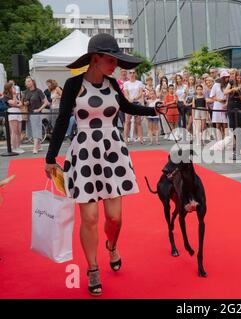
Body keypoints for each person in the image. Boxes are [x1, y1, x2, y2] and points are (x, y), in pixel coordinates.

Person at [44, 33, 160, 296]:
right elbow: (62, 121)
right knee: (90, 217)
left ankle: (112, 246)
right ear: (95, 59)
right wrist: (50, 158)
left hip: (112, 153)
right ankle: (93, 267)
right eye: (111, 59)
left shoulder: (113, 84)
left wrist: (154, 109)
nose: (115, 65)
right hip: (84, 154)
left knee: (115, 218)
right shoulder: (73, 85)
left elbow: (128, 108)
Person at [225, 70, 241, 159]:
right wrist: (233, 89)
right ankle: (239, 149)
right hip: (231, 107)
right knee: (232, 127)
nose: (239, 79)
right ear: (235, 77)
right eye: (238, 77)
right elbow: (225, 92)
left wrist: (239, 95)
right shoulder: (231, 82)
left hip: (240, 107)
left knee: (238, 127)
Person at [22, 76, 49, 154]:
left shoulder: (38, 91)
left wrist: (39, 109)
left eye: (29, 81)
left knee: (36, 130)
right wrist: (25, 103)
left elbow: (46, 102)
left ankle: (35, 147)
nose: (27, 83)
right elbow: (23, 102)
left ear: (33, 82)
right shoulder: (26, 92)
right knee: (30, 130)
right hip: (28, 113)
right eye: (26, 82)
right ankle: (39, 145)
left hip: (36, 113)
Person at [123, 69, 145, 144]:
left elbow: (140, 93)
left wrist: (134, 98)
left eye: (133, 72)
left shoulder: (139, 83)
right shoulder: (126, 83)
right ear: (128, 74)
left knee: (138, 122)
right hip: (128, 103)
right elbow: (125, 94)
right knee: (127, 122)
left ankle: (141, 138)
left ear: (135, 74)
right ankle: (125, 139)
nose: (132, 74)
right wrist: (129, 99)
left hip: (137, 103)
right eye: (130, 73)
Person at [2, 82, 24, 153]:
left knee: (19, 131)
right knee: (14, 131)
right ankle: (14, 148)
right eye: (12, 87)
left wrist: (17, 103)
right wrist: (15, 96)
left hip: (18, 112)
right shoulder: (6, 96)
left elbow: (20, 104)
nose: (14, 88)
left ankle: (18, 147)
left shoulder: (14, 95)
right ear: (9, 88)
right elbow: (14, 103)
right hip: (12, 112)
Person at [209, 70, 230, 140]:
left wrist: (226, 103)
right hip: (217, 105)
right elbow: (211, 96)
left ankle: (226, 139)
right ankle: (219, 140)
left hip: (225, 105)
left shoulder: (228, 85)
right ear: (222, 78)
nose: (227, 78)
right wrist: (219, 100)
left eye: (228, 77)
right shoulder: (216, 85)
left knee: (225, 124)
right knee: (218, 124)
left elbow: (229, 96)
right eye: (226, 77)